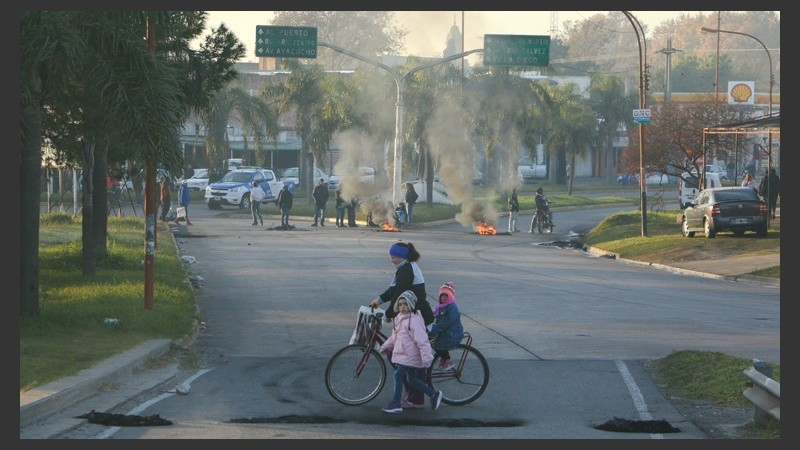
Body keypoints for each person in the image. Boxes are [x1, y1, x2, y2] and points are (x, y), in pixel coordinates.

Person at [370, 241, 435, 409]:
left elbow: (399, 294)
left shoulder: (407, 270)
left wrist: (388, 314)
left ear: (402, 257)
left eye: (394, 256)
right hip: (409, 316)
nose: (391, 259)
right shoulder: (403, 268)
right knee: (402, 354)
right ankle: (410, 392)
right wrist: (378, 300)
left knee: (415, 358)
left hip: (419, 317)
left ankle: (417, 399)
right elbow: (393, 290)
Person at [378, 290, 443, 414]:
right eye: (400, 304)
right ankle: (434, 394)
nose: (402, 307)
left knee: (398, 375)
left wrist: (427, 358)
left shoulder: (414, 320)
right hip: (405, 355)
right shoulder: (399, 318)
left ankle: (396, 403)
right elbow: (394, 337)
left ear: (411, 305)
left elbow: (422, 340)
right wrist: (386, 346)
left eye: (405, 304)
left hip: (410, 355)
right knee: (412, 379)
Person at [428, 282, 464, 371]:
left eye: (446, 296)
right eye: (442, 296)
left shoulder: (451, 307)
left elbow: (447, 321)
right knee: (432, 341)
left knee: (437, 345)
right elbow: (435, 317)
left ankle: (447, 360)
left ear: (450, 297)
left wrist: (435, 329)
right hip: (446, 333)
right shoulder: (440, 306)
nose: (443, 298)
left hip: (452, 334)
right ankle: (444, 359)